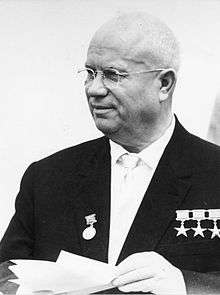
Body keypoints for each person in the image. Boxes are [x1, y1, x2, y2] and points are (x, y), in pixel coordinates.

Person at [1, 11, 220, 295]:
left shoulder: (214, 173)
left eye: (113, 75)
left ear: (164, 84)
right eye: (90, 73)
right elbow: (6, 273)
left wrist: (184, 286)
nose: (94, 88)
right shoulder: (47, 178)